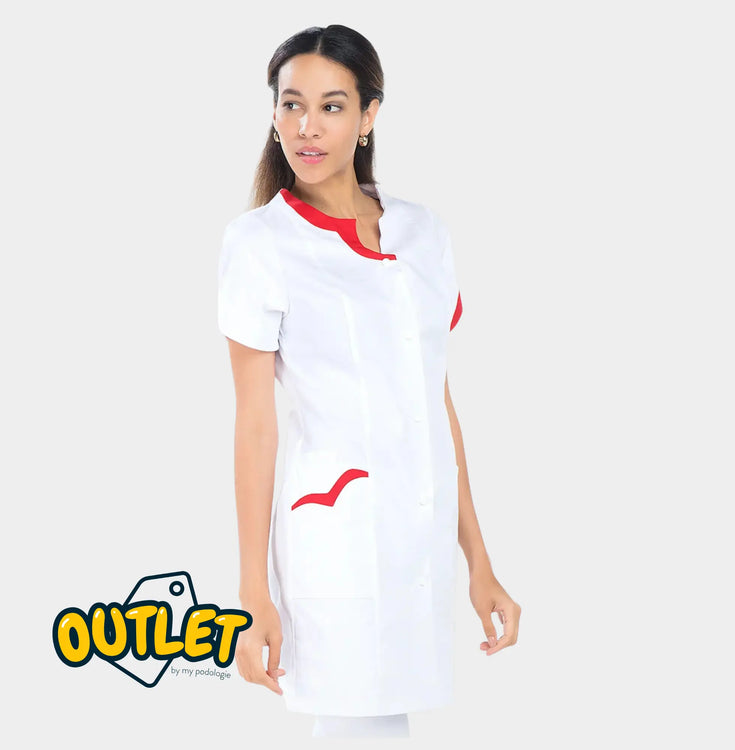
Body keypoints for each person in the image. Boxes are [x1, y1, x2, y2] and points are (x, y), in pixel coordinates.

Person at [217, 24, 521, 739]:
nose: (307, 126)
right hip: (336, 537)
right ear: (273, 113)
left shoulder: (424, 233)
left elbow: (436, 404)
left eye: (331, 106)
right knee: (356, 727)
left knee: (387, 725)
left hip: (419, 541)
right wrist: (253, 591)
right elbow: (255, 426)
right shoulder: (259, 244)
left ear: (368, 115)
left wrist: (479, 562)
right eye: (291, 104)